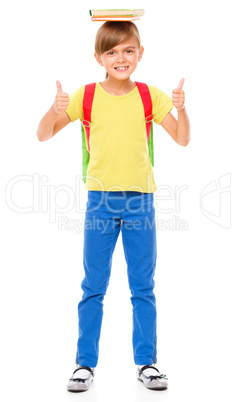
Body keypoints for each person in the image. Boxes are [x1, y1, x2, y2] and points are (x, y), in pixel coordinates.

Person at [36, 21, 190, 392]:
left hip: (141, 203)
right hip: (99, 203)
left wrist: (182, 109)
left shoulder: (150, 96)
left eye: (128, 50)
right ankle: (84, 364)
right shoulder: (85, 97)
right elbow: (43, 133)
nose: (120, 58)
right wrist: (53, 108)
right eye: (112, 52)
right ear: (98, 57)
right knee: (93, 285)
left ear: (139, 53)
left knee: (142, 286)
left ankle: (147, 364)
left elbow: (182, 139)